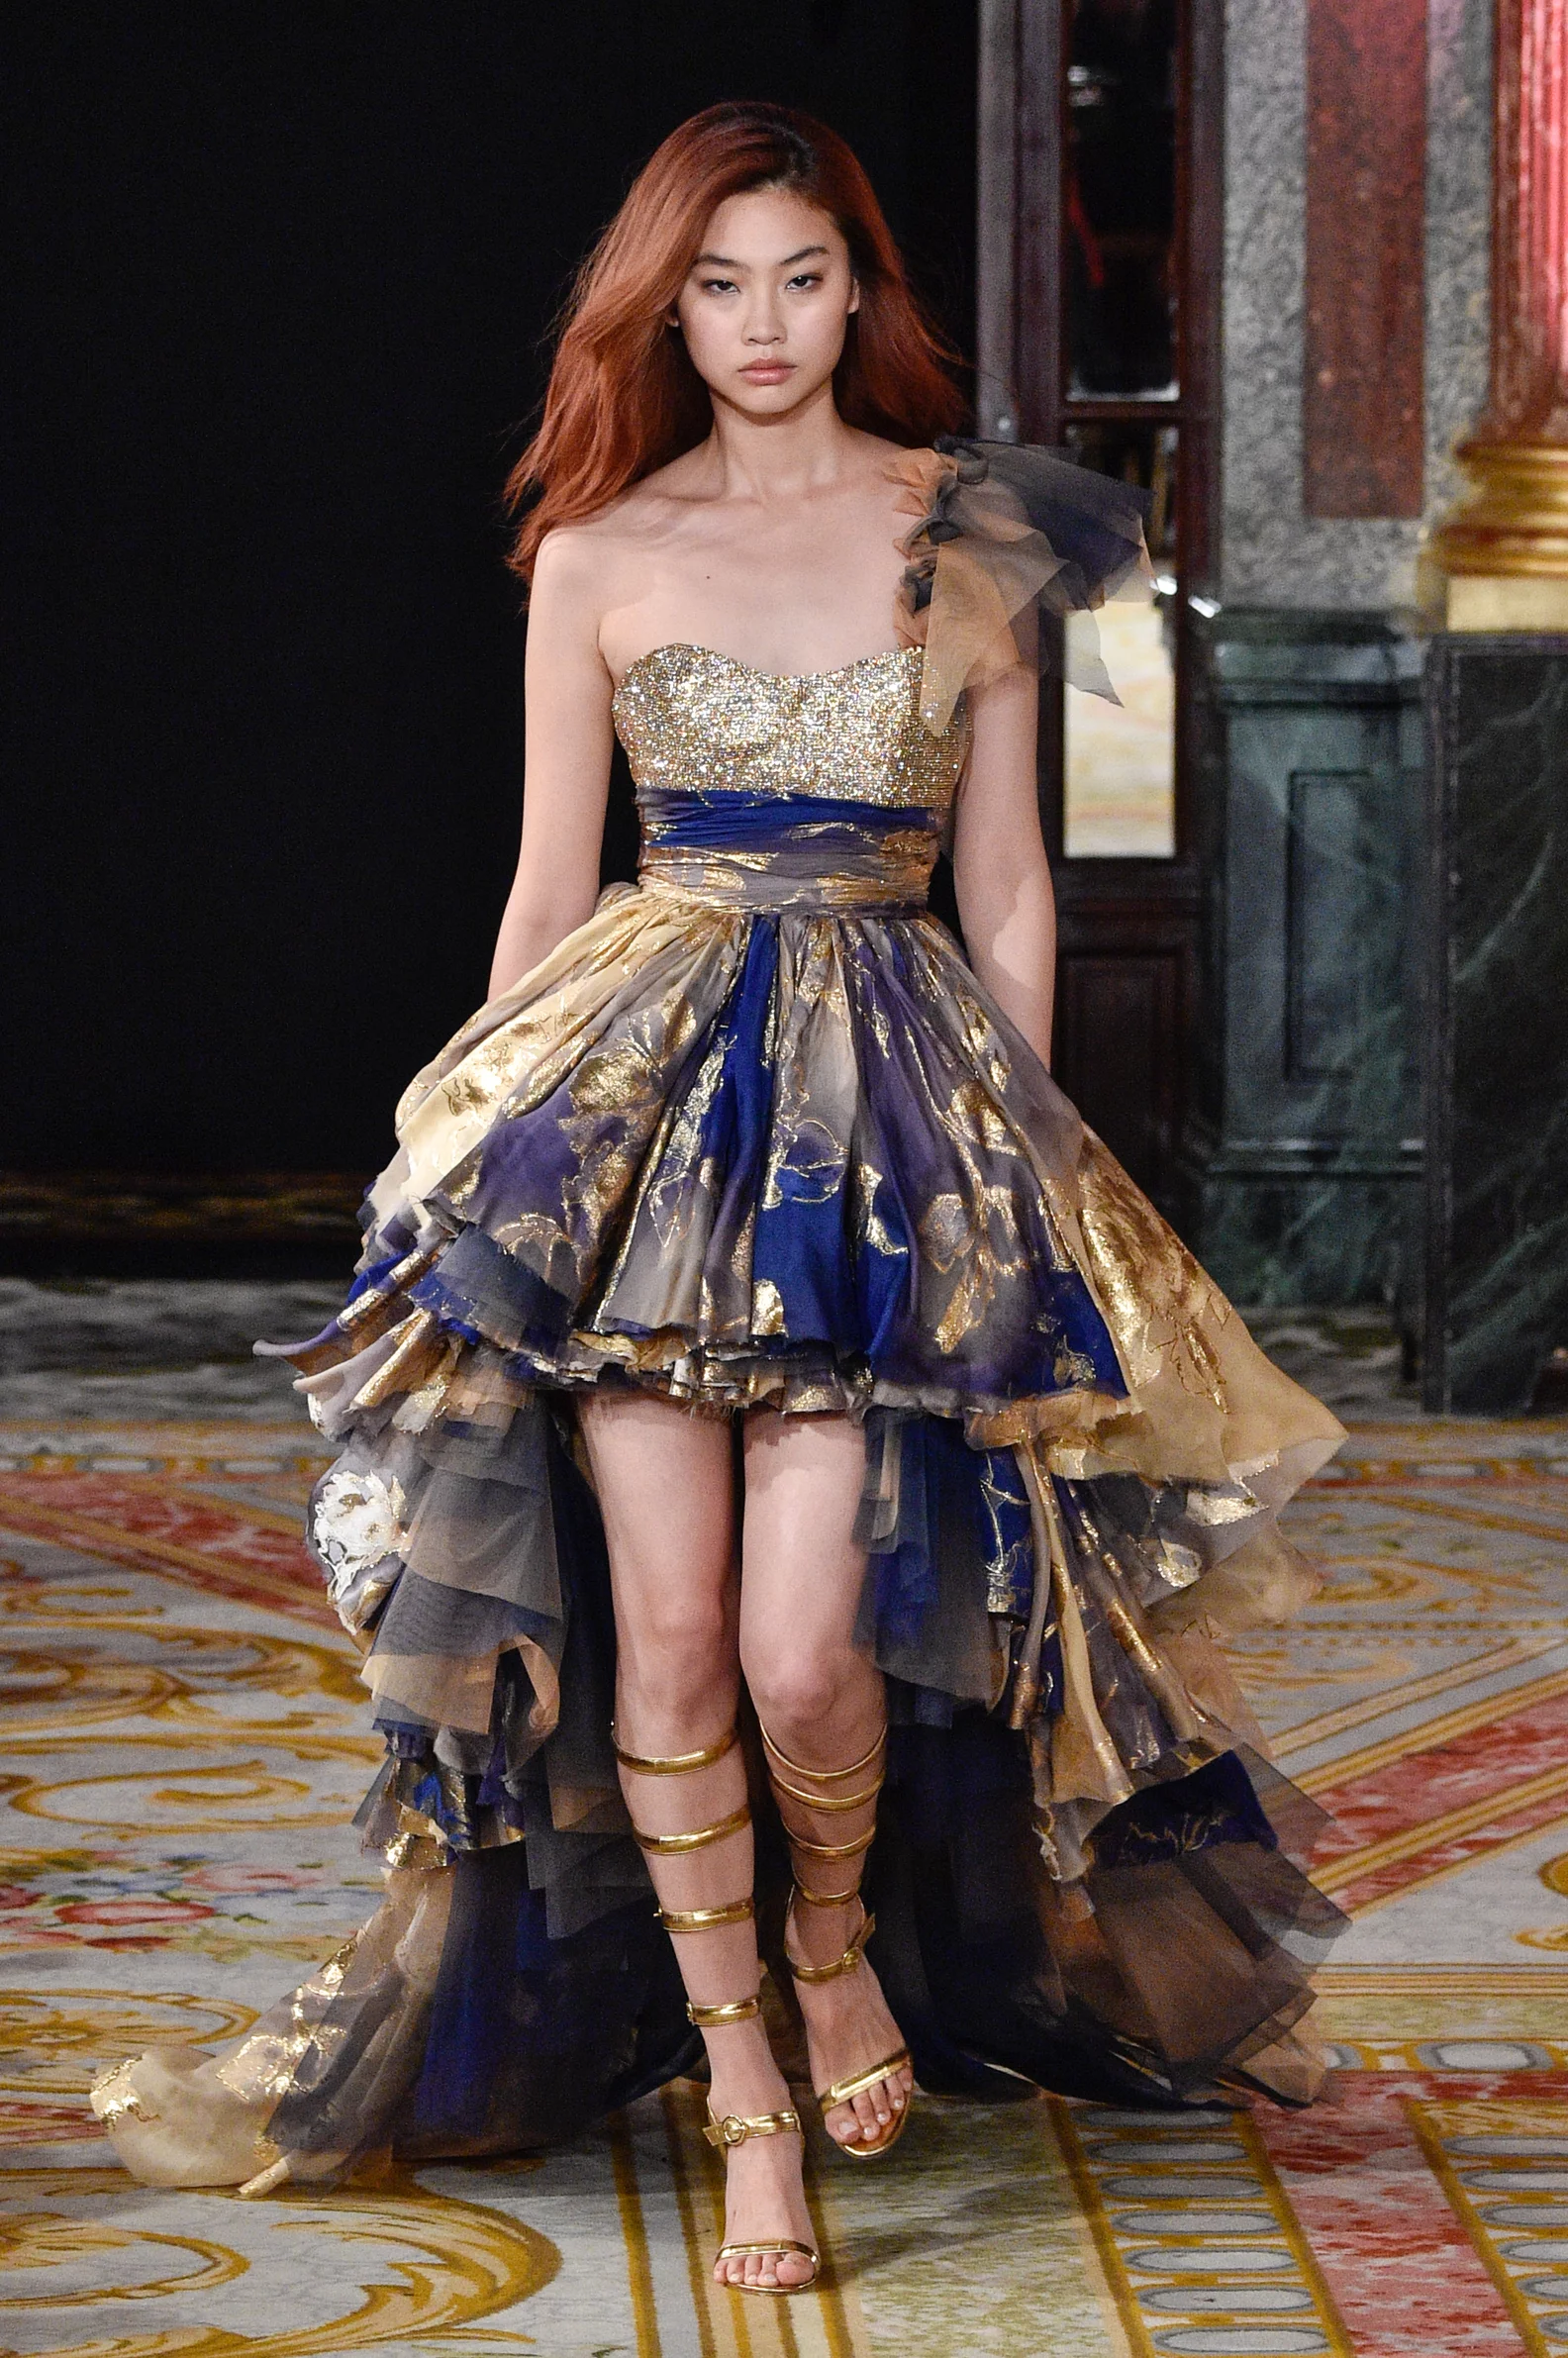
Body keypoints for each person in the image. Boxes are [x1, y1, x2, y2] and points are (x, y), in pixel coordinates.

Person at [93, 102, 1347, 2299]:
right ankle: (749, 2078)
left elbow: (1011, 887)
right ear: (666, 311)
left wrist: (1017, 1162)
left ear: (860, 291)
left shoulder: (968, 534)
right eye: (717, 286)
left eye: (801, 277)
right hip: (643, 1129)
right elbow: (546, 886)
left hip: (888, 1129)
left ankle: (835, 1950)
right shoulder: (599, 551)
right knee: (665, 1638)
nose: (763, 324)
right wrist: (473, 1147)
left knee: (804, 1654)